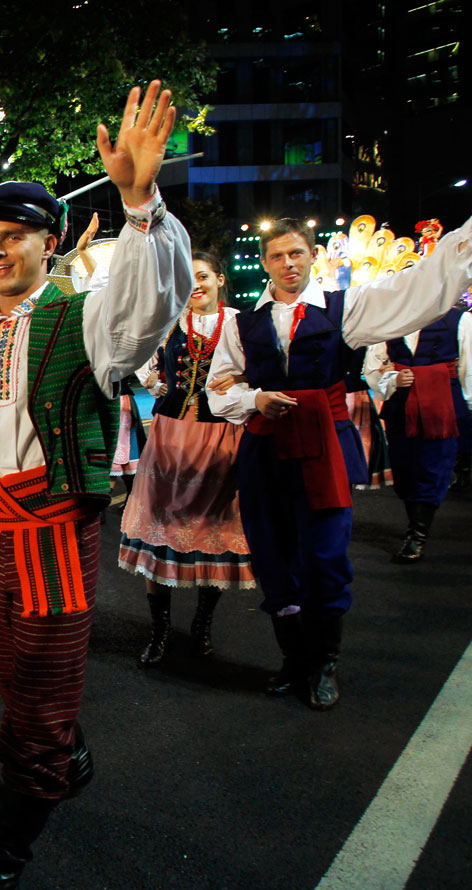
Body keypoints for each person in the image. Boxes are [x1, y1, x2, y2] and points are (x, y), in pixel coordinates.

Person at [0, 81, 192, 888]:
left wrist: (140, 204)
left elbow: (153, 305)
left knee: (37, 704)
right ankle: (63, 750)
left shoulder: (86, 315)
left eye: (15, 238)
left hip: (56, 538)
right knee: (8, 681)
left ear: (50, 243)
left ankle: (16, 835)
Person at [207, 214, 472, 710]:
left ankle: (325, 661)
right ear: (264, 262)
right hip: (264, 452)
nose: (288, 263)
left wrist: (462, 244)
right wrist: (256, 399)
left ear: (312, 255)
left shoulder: (344, 308)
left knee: (325, 557)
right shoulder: (241, 324)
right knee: (272, 556)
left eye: (297, 253)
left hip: (324, 447)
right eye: (278, 255)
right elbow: (218, 390)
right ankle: (293, 660)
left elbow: (416, 291)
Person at [118, 251, 255, 666]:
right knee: (159, 526)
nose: (195, 285)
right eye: (188, 278)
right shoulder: (171, 321)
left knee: (212, 528)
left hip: (220, 436)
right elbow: (136, 351)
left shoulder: (239, 323)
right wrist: (154, 381)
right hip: (170, 437)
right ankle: (159, 631)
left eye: (203, 276)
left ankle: (202, 626)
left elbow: (258, 369)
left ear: (220, 279)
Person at [364, 301, 472, 562]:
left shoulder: (460, 320)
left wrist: (467, 406)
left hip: (443, 404)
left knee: (433, 468)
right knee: (405, 469)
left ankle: (417, 535)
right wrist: (392, 380)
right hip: (402, 406)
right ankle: (415, 525)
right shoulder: (389, 319)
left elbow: (468, 367)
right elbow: (372, 367)